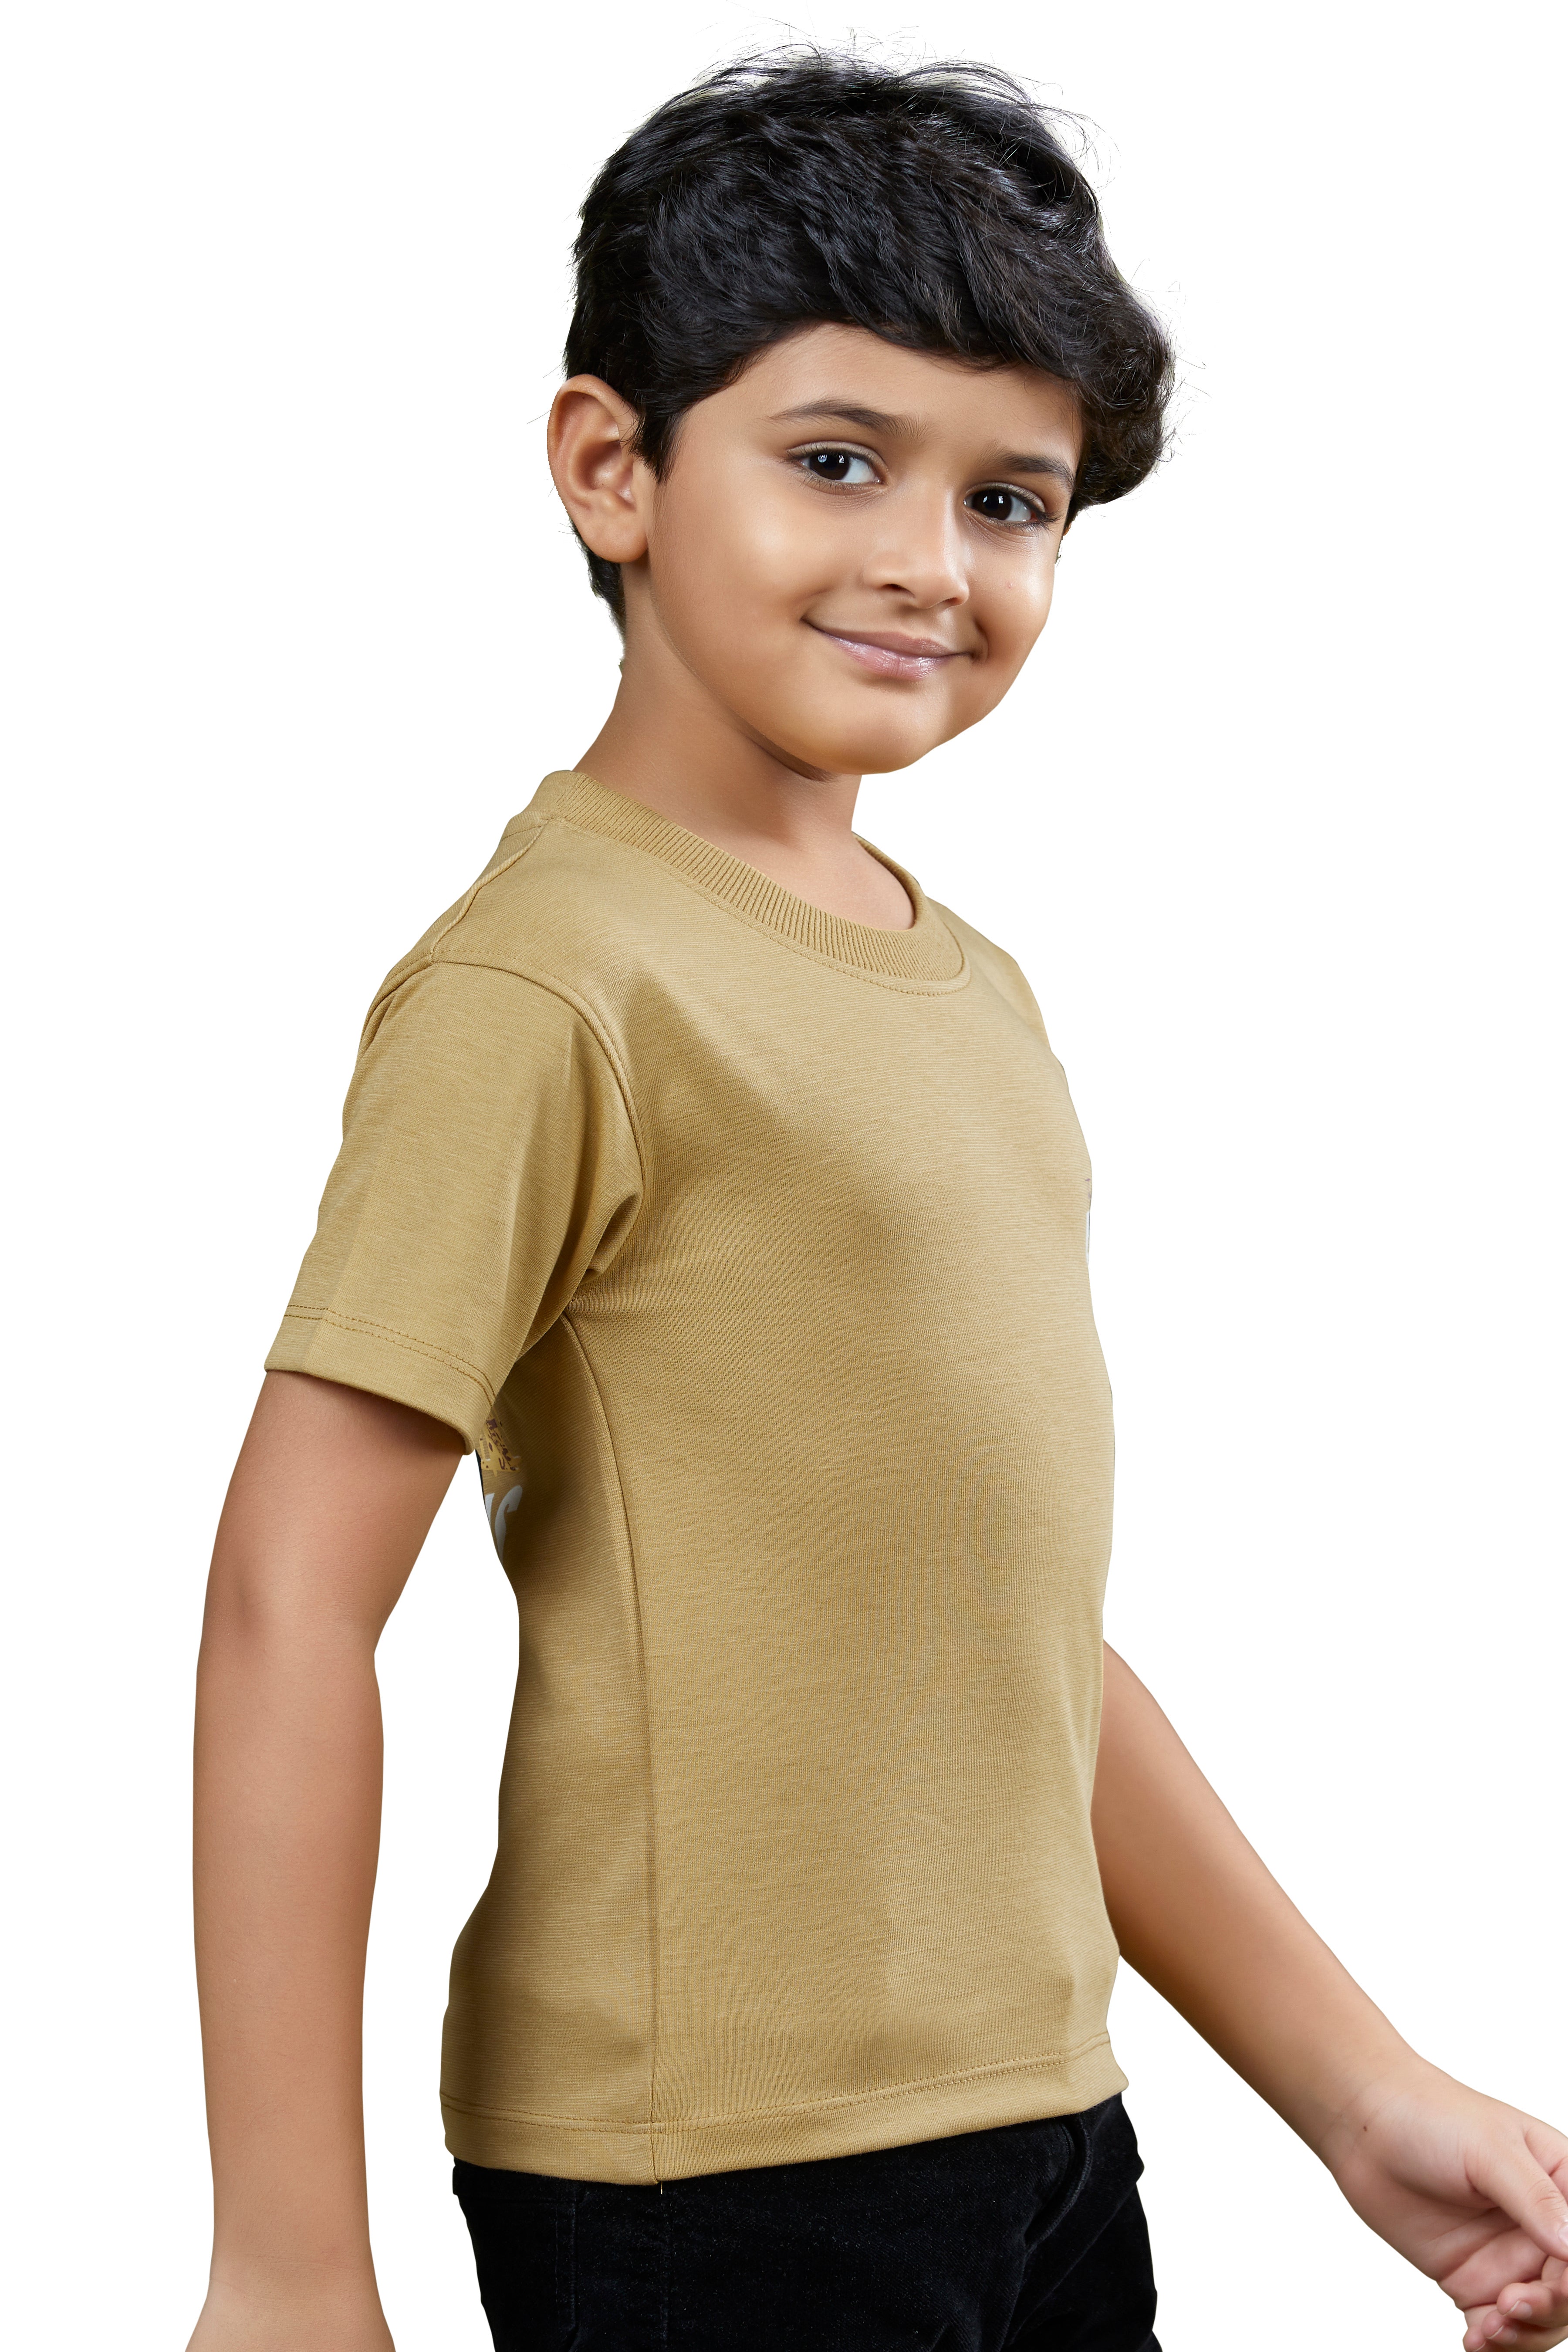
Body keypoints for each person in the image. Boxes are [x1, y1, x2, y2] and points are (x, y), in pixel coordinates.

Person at [185, 51, 1568, 2352]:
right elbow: (285, 1607)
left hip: (1043, 2141)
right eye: (840, 461)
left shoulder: (974, 990)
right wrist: (289, 2269)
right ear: (613, 467)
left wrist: (1358, 2093)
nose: (934, 560)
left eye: (1012, 498)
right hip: (713, 2190)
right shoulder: (549, 985)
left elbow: (999, 1635)